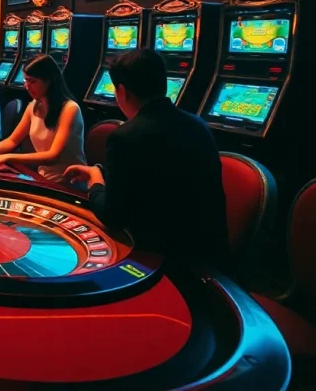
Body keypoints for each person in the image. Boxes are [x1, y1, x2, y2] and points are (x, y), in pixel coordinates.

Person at [63, 49, 230, 270]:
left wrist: (95, 179)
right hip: (209, 257)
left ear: (122, 91)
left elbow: (113, 216)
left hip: (162, 263)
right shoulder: (198, 125)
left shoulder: (125, 137)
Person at [0, 55, 85, 182]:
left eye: (32, 81)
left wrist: (7, 157)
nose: (27, 86)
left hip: (70, 183)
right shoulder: (33, 106)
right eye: (25, 81)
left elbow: (53, 156)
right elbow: (12, 141)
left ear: (49, 81)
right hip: (44, 178)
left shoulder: (70, 109)